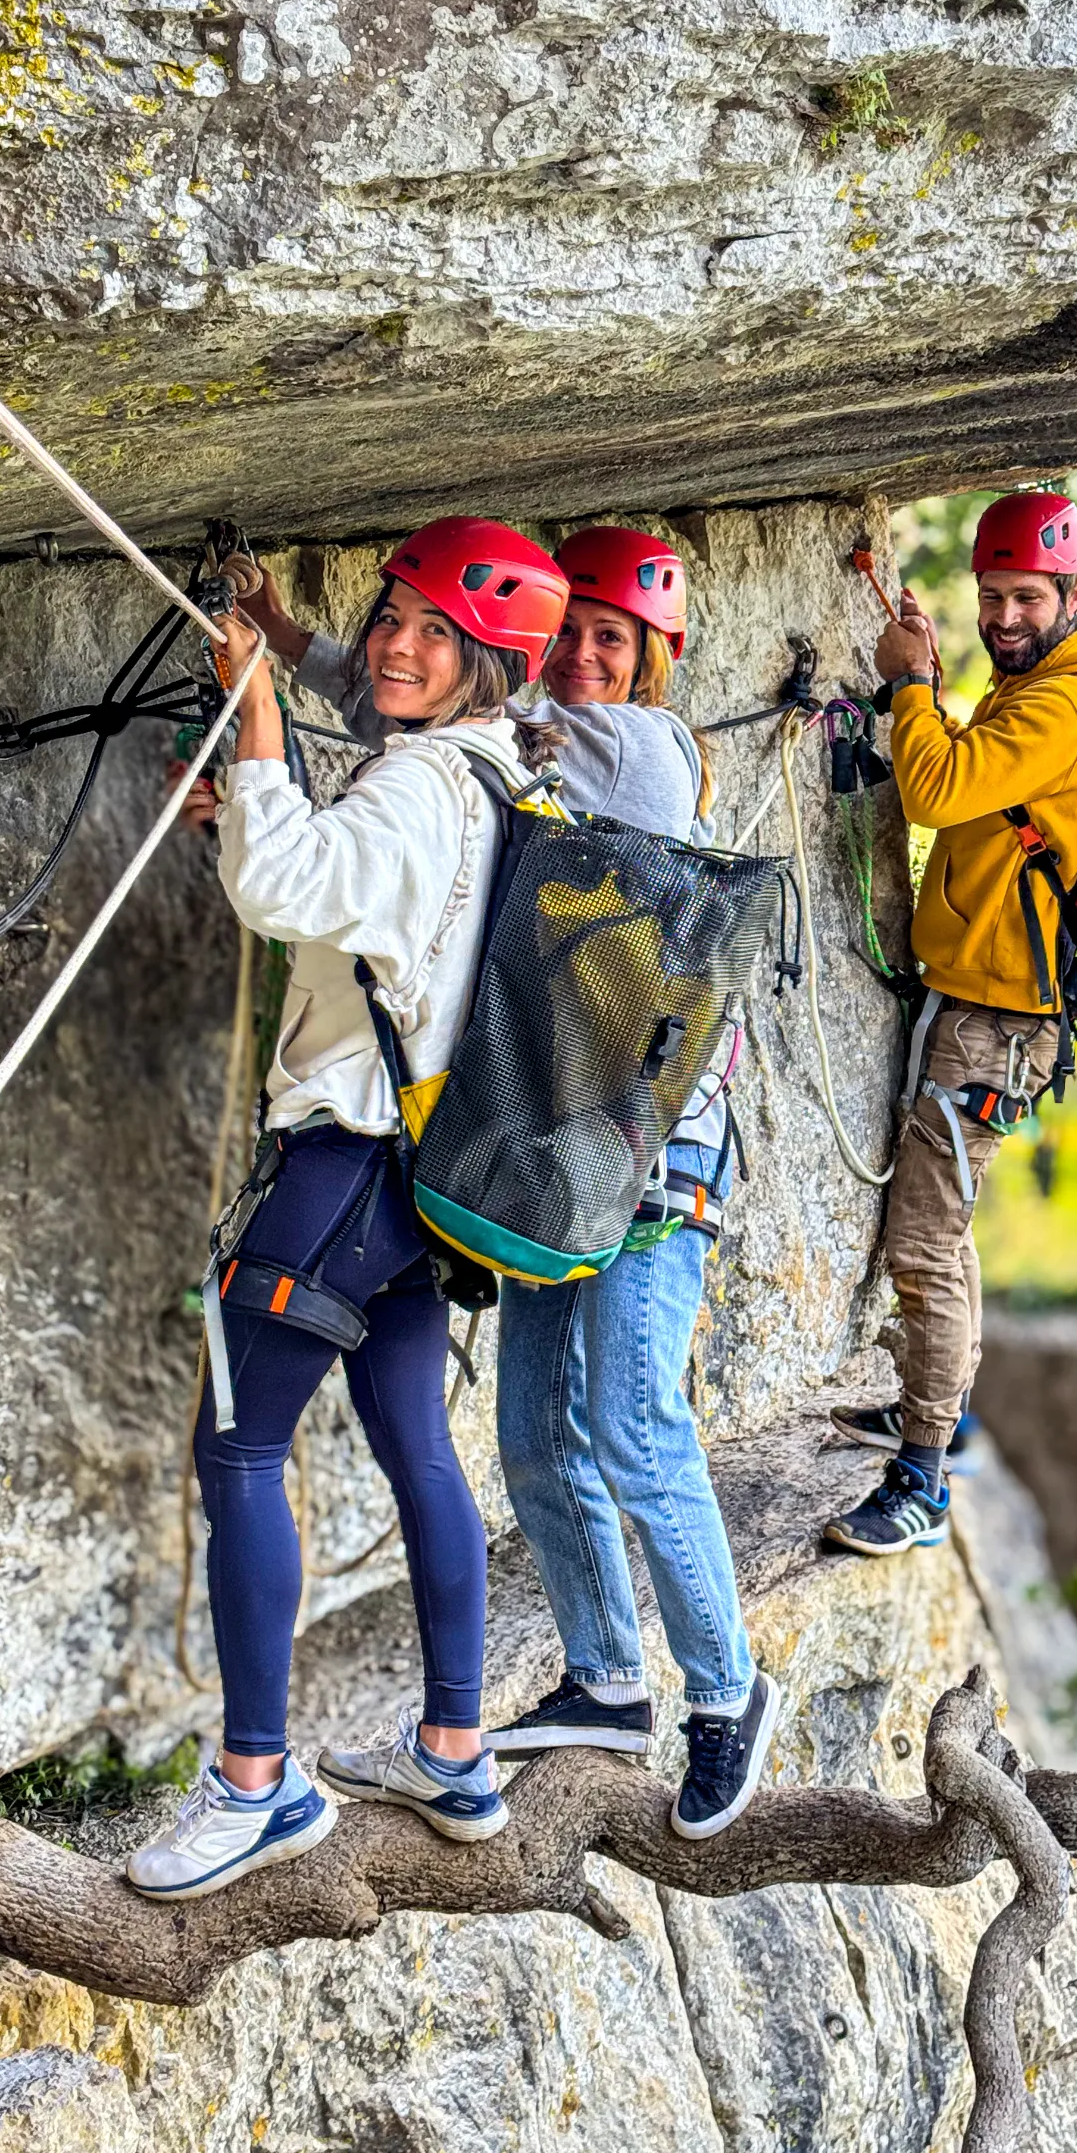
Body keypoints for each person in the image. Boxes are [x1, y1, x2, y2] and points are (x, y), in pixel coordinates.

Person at [239, 526, 778, 1839]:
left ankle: (726, 1693)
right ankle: (603, 1679)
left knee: (636, 1427)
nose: (585, 658)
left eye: (612, 638)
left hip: (645, 1149)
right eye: (572, 630)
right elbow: (449, 705)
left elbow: (458, 707)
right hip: (551, 1129)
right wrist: (289, 632)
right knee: (534, 1428)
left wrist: (288, 660)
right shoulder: (540, 740)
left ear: (654, 659)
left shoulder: (636, 746)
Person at [127, 518, 568, 1901]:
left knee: (240, 1444)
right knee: (410, 1438)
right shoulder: (498, 779)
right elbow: (363, 913)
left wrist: (255, 698)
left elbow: (286, 885)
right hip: (428, 1179)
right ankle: (455, 1746)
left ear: (488, 660)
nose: (396, 642)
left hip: (348, 1159)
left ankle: (256, 1783)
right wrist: (265, 786)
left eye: (436, 632)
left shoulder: (426, 783)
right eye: (393, 616)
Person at [823, 492, 1077, 1561]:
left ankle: (920, 1479)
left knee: (923, 1243)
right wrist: (937, 686)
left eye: (1024, 598)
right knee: (945, 1238)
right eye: (991, 595)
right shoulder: (1038, 690)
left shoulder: (1063, 709)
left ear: (1070, 594)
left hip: (996, 1024)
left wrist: (910, 684)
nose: (1002, 616)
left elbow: (937, 788)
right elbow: (981, 784)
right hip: (978, 1003)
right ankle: (945, 1408)